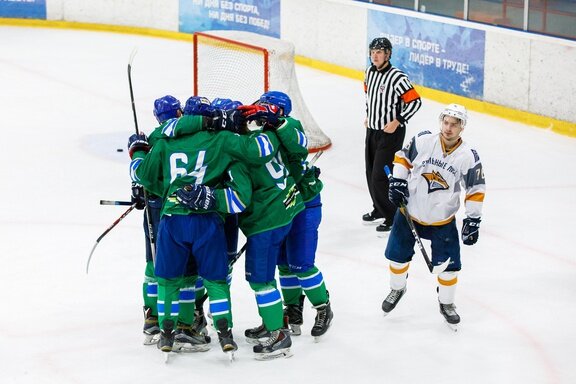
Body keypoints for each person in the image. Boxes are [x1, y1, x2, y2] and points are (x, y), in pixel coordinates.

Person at [177, 100, 305, 360]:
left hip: (267, 222)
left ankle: (278, 334)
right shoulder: (264, 136)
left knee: (260, 279)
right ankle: (271, 324)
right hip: (284, 212)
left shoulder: (236, 154)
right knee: (264, 276)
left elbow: (239, 199)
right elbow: (292, 140)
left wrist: (210, 197)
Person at [128, 101, 258, 355]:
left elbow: (142, 176)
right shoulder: (220, 139)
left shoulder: (164, 141)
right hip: (207, 220)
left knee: (167, 281)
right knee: (216, 281)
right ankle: (225, 334)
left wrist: (138, 152)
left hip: (172, 220)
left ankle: (166, 334)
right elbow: (250, 153)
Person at [381, 103, 485, 329]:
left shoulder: (468, 156)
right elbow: (402, 158)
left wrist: (473, 219)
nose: (448, 128)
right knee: (397, 257)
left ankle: (446, 303)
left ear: (462, 128)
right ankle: (397, 288)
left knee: (449, 268)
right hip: (410, 212)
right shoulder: (423, 140)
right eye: (445, 123)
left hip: (442, 220)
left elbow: (476, 188)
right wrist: (398, 180)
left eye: (454, 125)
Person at [247, 91, 333, 339]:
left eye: (266, 108)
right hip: (281, 206)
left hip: (305, 205)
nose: (260, 112)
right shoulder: (263, 134)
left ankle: (323, 307)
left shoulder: (289, 125)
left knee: (301, 264)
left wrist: (279, 122)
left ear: (279, 112)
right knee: (283, 264)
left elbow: (298, 142)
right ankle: (292, 310)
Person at [362, 37, 422, 235]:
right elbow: (369, 96)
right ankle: (379, 208)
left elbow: (415, 102)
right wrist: (369, 116)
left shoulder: (397, 77)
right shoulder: (369, 72)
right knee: (370, 173)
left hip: (391, 133)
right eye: (373, 52)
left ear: (388, 54)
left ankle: (392, 214)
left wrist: (398, 120)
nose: (375, 55)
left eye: (379, 52)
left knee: (381, 175)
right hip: (372, 130)